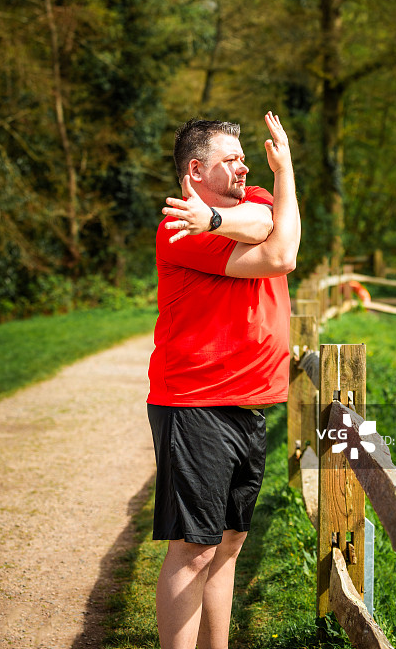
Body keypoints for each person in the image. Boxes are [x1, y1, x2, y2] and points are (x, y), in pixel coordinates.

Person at [147, 111, 300, 649]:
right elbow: (280, 252)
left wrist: (283, 178)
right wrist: (213, 221)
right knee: (195, 549)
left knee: (229, 544)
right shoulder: (177, 226)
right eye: (230, 160)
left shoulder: (248, 199)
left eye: (244, 158)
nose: (243, 167)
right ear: (196, 169)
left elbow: (272, 230)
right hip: (196, 402)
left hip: (248, 402)